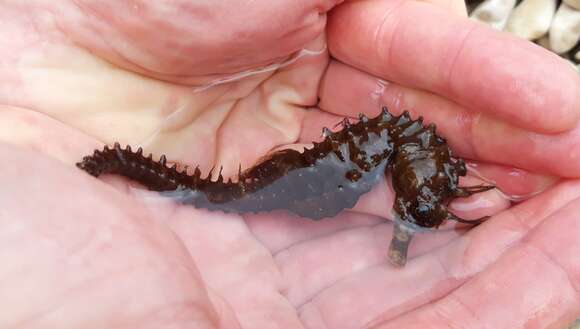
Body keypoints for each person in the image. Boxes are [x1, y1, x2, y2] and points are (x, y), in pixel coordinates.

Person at [0, 1, 578, 328]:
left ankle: (114, 164)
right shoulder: (414, 161)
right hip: (316, 176)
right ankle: (111, 162)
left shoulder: (416, 164)